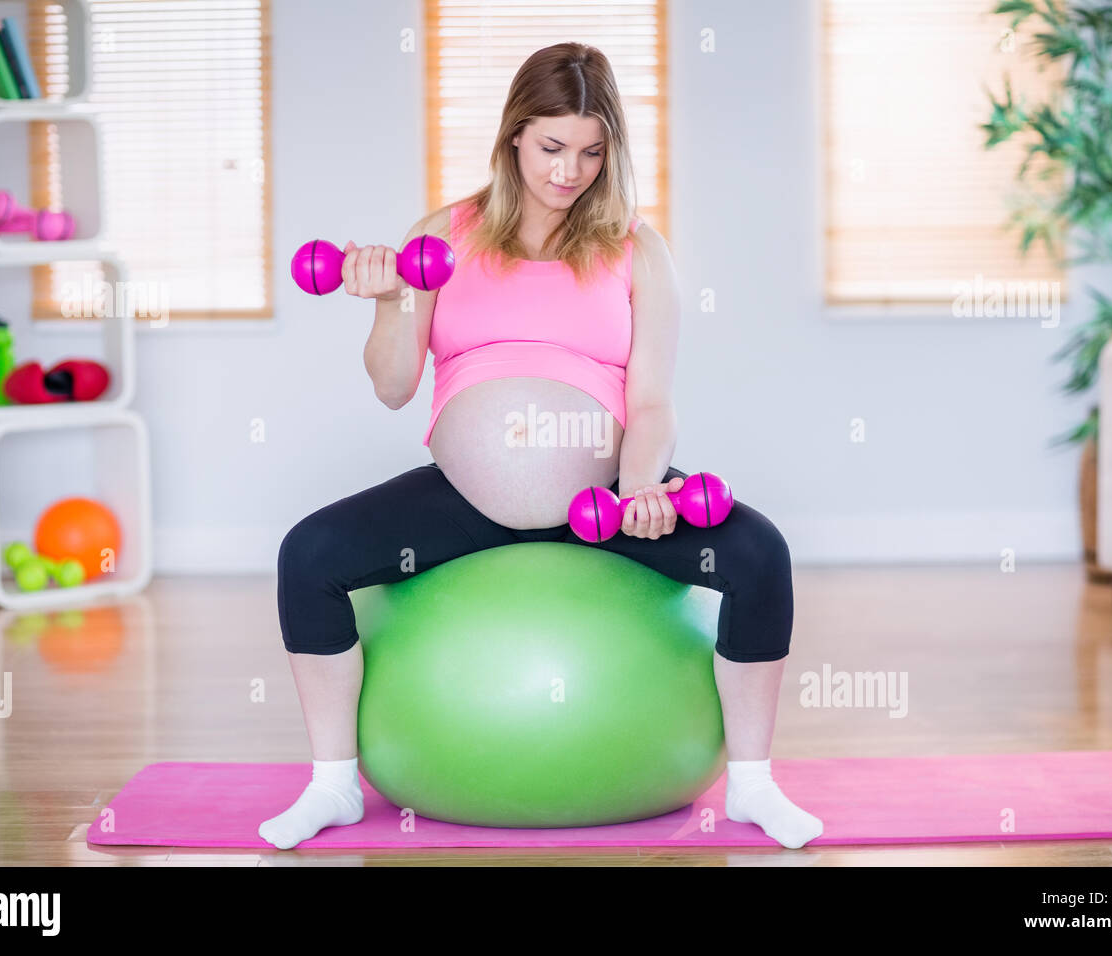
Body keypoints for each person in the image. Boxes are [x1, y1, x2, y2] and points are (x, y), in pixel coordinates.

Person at [260, 42, 822, 851]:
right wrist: (389, 302)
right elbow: (392, 386)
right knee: (308, 556)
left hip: (603, 504)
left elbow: (654, 397)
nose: (571, 171)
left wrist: (638, 488)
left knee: (759, 555)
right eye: (553, 147)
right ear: (514, 136)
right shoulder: (441, 237)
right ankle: (333, 784)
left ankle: (755, 787)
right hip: (465, 502)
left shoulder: (636, 247)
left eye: (592, 151)